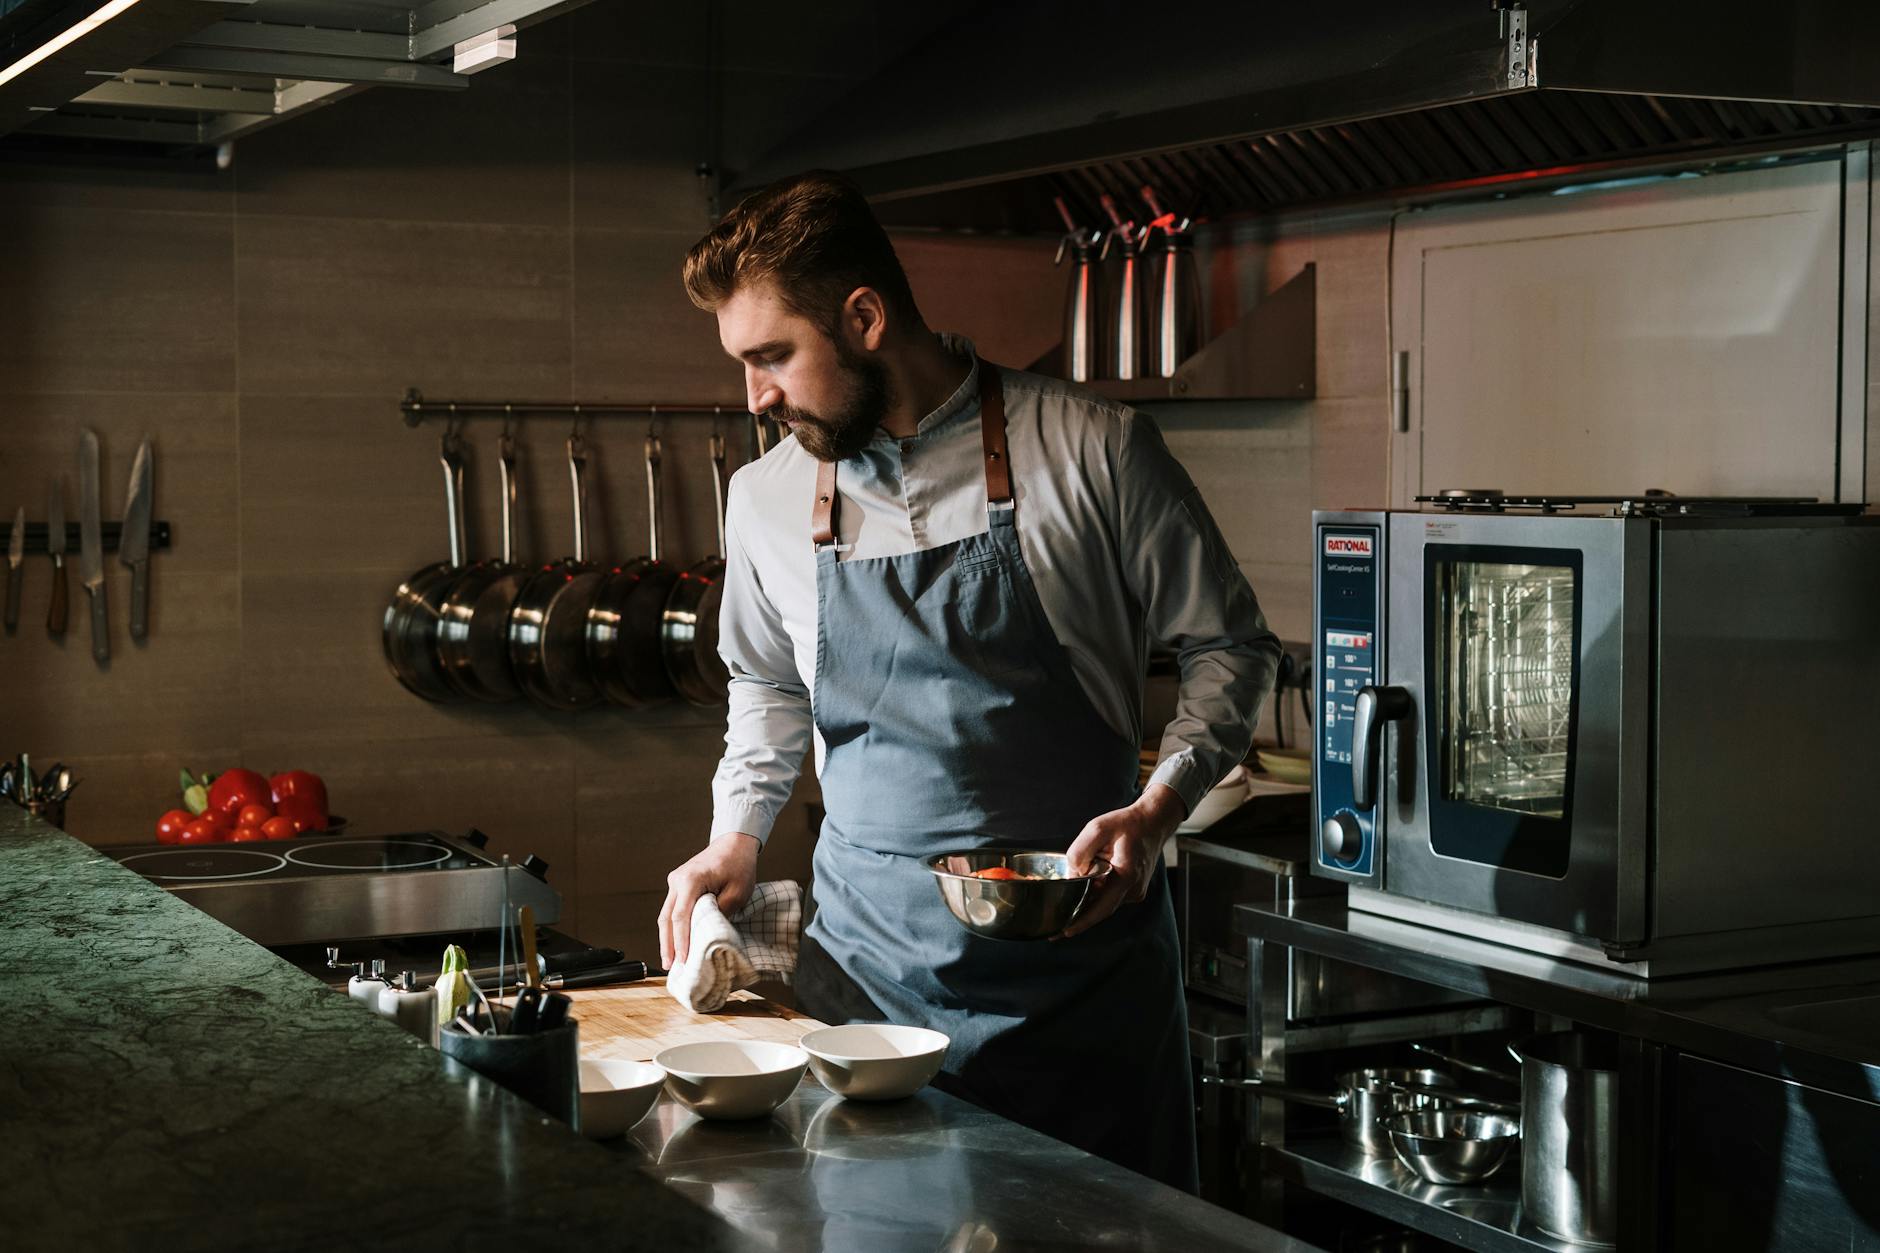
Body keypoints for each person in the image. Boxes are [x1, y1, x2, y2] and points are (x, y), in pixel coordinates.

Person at [657, 170, 1279, 1192]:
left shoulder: (1091, 449)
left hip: (1079, 989)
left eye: (771, 356)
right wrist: (737, 831)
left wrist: (1159, 806)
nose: (753, 396)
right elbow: (767, 681)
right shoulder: (763, 497)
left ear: (862, 317)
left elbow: (1228, 645)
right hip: (865, 987)